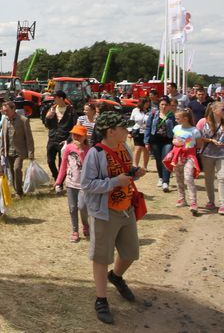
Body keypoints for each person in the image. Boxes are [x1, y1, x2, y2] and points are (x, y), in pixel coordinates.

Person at [81, 112, 146, 325]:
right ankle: (101, 300)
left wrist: (135, 172)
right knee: (101, 257)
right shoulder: (95, 153)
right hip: (105, 212)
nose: (127, 131)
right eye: (123, 128)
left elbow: (125, 170)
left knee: (131, 253)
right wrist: (114, 182)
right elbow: (87, 185)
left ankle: (116, 277)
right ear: (111, 131)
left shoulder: (124, 147)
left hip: (126, 208)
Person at [54, 124, 90, 242]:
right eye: (74, 134)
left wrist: (80, 151)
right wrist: (59, 181)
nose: (76, 137)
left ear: (85, 136)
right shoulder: (68, 148)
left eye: (79, 135)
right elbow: (63, 165)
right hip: (70, 183)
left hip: (84, 184)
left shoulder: (89, 150)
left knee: (83, 206)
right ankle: (75, 231)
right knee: (72, 208)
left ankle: (86, 224)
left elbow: (87, 166)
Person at [200, 101, 224, 215]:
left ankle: (223, 204)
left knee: (223, 177)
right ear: (214, 110)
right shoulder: (203, 122)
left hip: (222, 154)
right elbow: (198, 137)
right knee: (209, 178)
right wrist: (210, 140)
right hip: (207, 154)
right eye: (223, 109)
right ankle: (211, 201)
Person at [166, 109, 202, 214]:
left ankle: (193, 202)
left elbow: (199, 145)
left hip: (189, 156)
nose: (176, 120)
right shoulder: (176, 128)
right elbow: (174, 139)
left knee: (188, 178)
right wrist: (175, 142)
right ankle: (182, 198)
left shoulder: (194, 131)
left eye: (178, 118)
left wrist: (187, 146)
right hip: (177, 156)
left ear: (185, 119)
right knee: (179, 178)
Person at [0, 101, 35, 197]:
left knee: (17, 169)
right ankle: (17, 190)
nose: (5, 112)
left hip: (19, 151)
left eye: (7, 110)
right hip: (8, 151)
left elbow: (29, 137)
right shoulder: (5, 120)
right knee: (11, 171)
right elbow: (3, 136)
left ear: (13, 109)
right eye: (4, 111)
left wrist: (31, 153)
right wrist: (2, 149)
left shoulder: (23, 120)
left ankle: (19, 192)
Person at [144, 97, 175, 192]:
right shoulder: (153, 114)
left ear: (169, 105)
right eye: (162, 104)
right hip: (155, 140)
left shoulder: (172, 116)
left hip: (167, 140)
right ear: (159, 105)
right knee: (158, 160)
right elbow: (148, 127)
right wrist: (146, 141)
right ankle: (161, 177)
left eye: (166, 104)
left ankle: (166, 181)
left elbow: (176, 128)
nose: (164, 106)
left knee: (166, 159)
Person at [44, 90, 77, 180]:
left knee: (62, 163)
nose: (53, 99)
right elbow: (47, 125)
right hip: (52, 138)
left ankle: (60, 182)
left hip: (64, 140)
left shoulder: (71, 111)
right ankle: (56, 176)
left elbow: (74, 127)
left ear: (61, 98)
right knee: (50, 161)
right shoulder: (52, 109)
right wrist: (48, 117)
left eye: (55, 97)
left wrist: (68, 140)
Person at [129, 98, 150, 170]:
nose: (148, 104)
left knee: (146, 149)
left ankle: (145, 166)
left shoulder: (150, 111)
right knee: (137, 148)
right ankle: (135, 165)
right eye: (147, 102)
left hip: (147, 132)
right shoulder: (135, 110)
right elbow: (131, 121)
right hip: (137, 131)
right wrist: (130, 132)